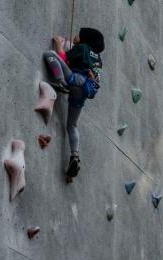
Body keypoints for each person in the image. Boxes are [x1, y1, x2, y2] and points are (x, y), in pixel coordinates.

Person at [42, 28, 105, 181]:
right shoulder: (98, 59)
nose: (76, 36)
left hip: (75, 80)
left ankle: (61, 82)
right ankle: (75, 156)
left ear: (85, 39)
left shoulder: (83, 47)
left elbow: (63, 58)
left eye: (79, 34)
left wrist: (58, 44)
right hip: (84, 91)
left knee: (49, 55)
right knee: (72, 126)